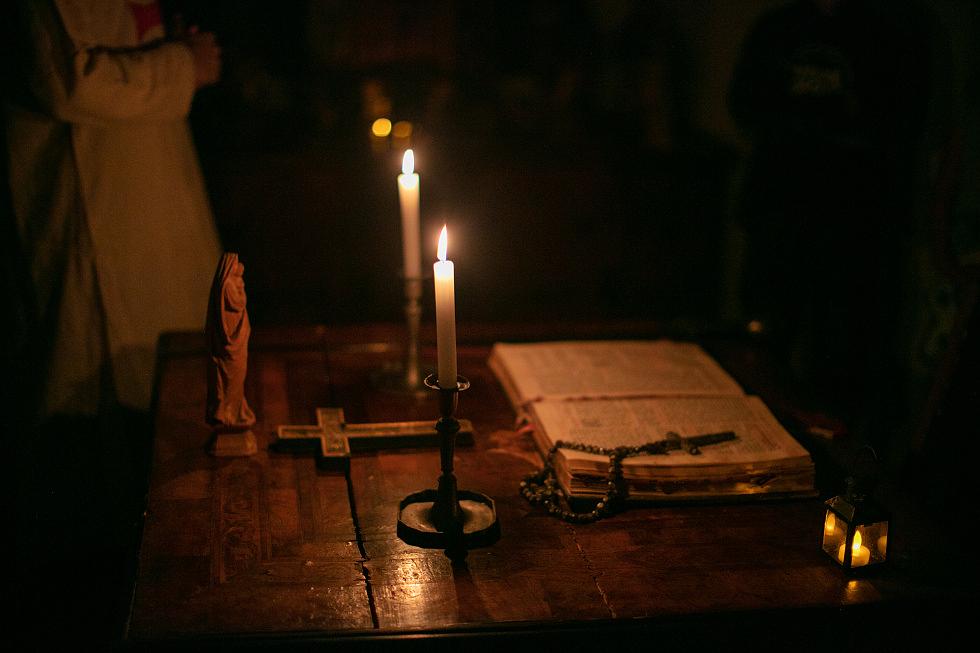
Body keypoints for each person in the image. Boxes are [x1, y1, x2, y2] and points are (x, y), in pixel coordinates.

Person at [5, 0, 223, 420]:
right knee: (100, 399)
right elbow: (69, 81)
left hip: (149, 209)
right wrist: (182, 65)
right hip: (96, 227)